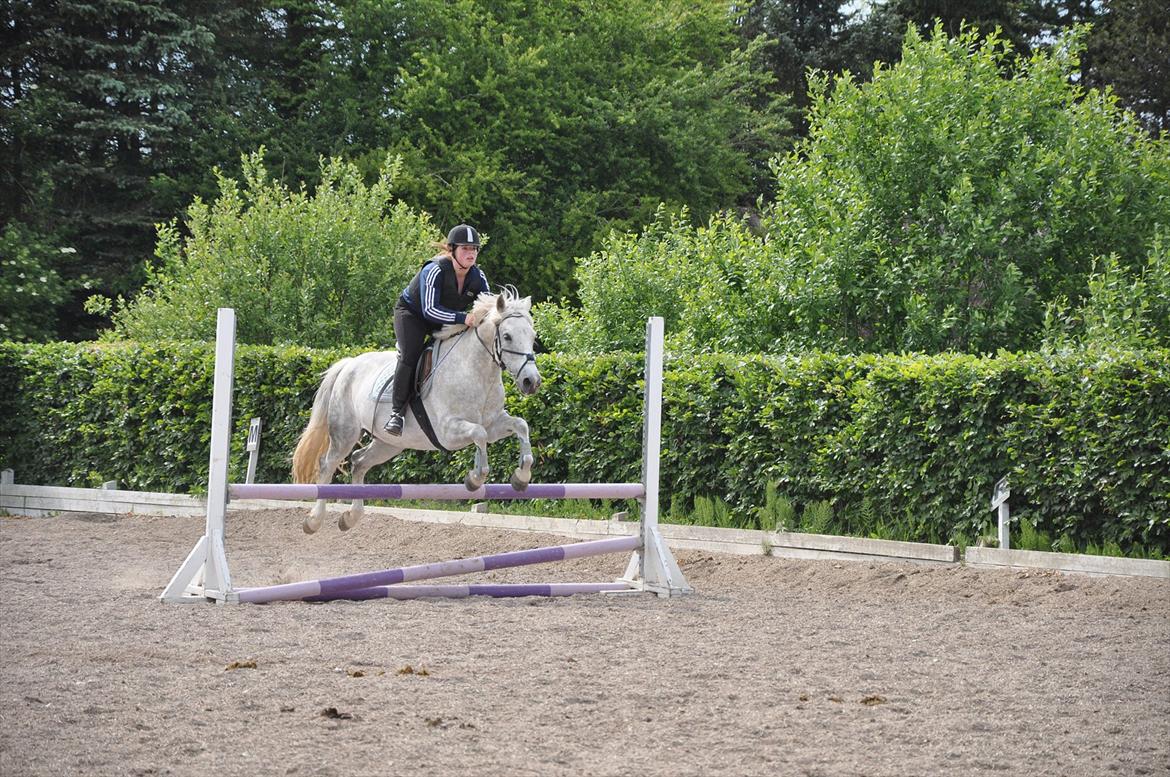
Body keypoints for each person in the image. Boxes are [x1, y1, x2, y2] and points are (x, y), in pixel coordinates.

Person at [383, 224, 490, 435]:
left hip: (444, 317)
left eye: (474, 249)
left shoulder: (478, 277)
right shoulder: (434, 270)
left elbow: (489, 306)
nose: (471, 254)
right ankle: (397, 414)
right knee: (411, 354)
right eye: (465, 248)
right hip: (413, 315)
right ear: (452, 250)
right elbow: (430, 310)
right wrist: (464, 318)